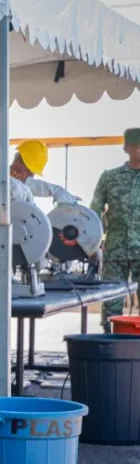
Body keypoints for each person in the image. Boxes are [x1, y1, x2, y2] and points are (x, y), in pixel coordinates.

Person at [0, 139, 79, 377]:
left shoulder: (13, 178)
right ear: (19, 163)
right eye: (26, 170)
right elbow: (20, 207)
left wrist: (55, 191)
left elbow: (29, 187)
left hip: (1, 254)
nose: (27, 176)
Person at [91, 128, 140, 332]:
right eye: (135, 145)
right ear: (126, 147)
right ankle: (109, 343)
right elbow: (93, 212)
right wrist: (92, 244)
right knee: (111, 301)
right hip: (115, 250)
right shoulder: (109, 178)